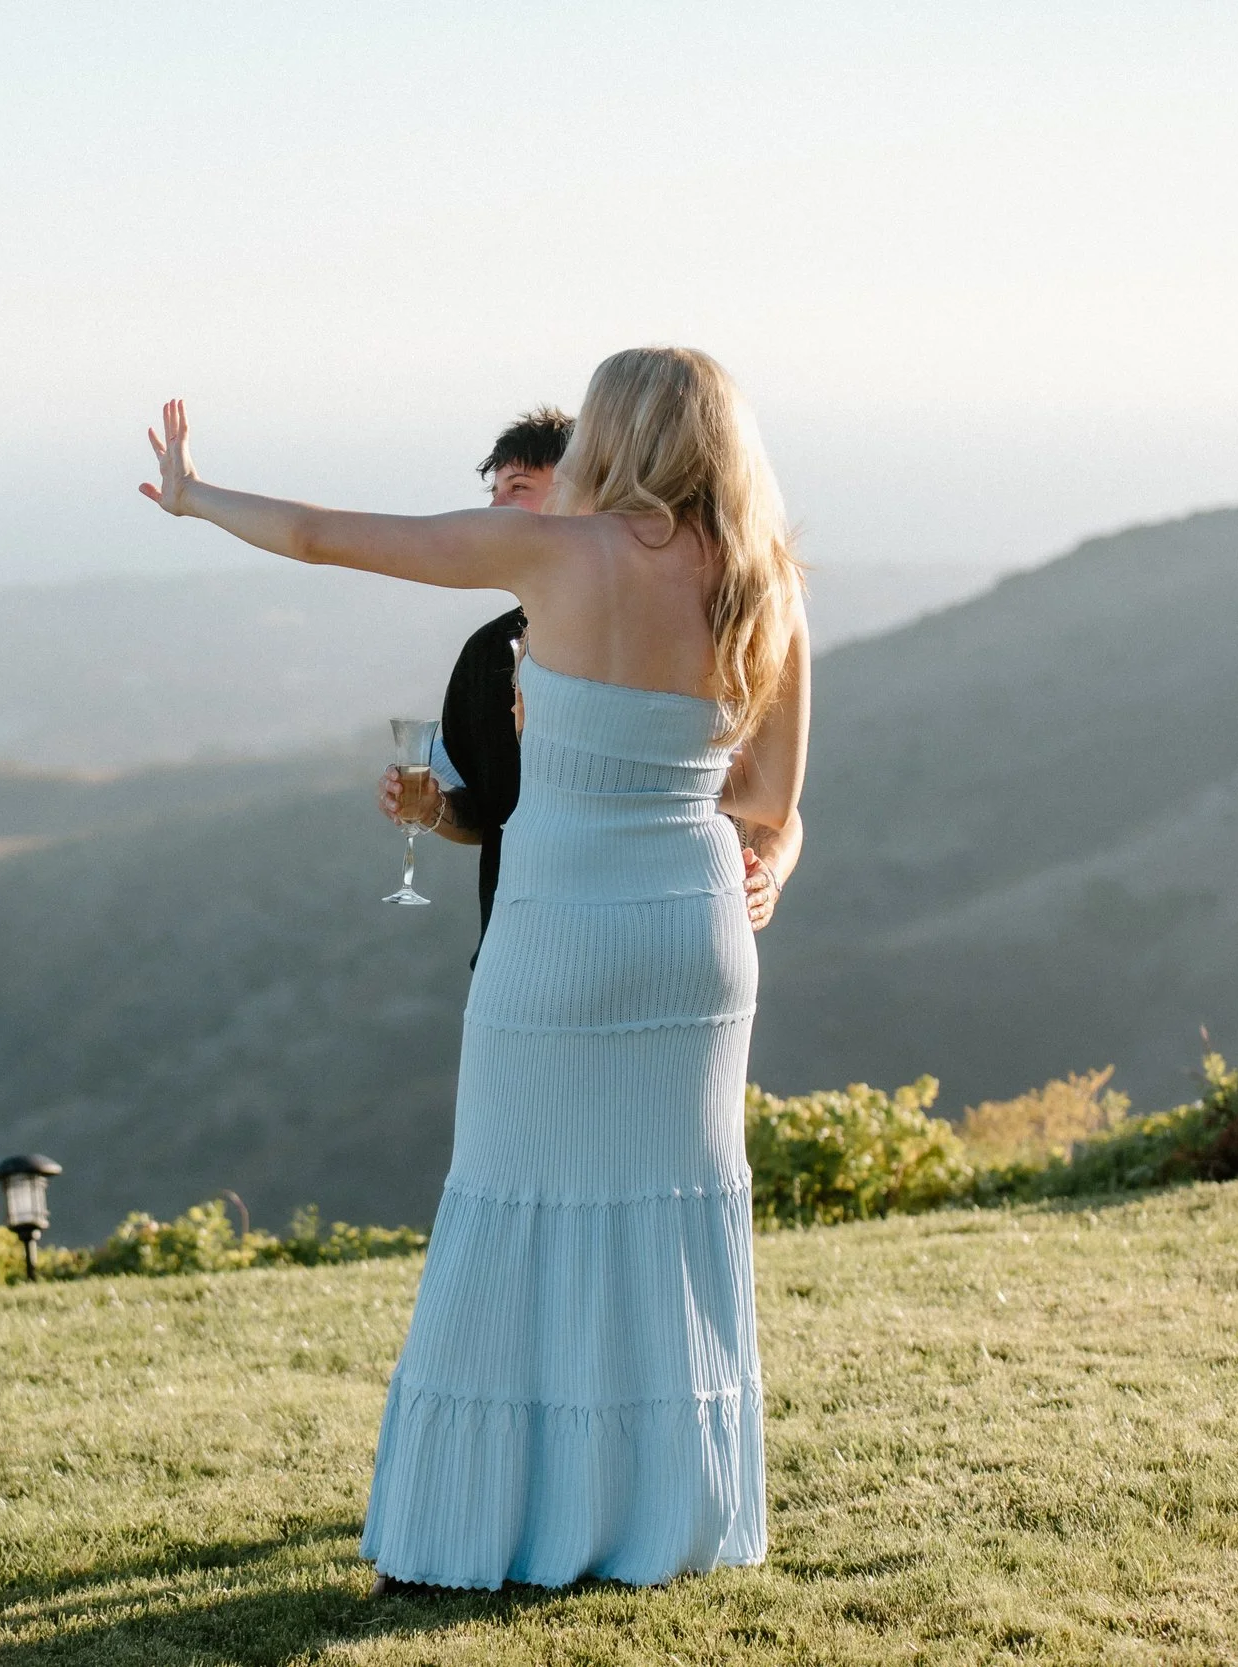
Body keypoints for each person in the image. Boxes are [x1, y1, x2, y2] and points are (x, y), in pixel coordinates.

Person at [141, 346, 809, 1591]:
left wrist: (197, 497)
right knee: (666, 1219)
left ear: (614, 432)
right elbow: (769, 801)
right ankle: (659, 1522)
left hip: (560, 931)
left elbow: (326, 534)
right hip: (696, 942)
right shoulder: (764, 585)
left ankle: (477, 1527)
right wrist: (723, 837)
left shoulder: (559, 556)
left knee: (512, 1206)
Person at [377, 410, 795, 944]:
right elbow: (482, 816)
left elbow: (774, 806)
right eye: (495, 490)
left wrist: (771, 875)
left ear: (587, 495)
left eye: (519, 487)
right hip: (525, 944)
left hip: (680, 935)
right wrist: (434, 808)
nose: (495, 508)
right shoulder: (487, 653)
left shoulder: (694, 627)